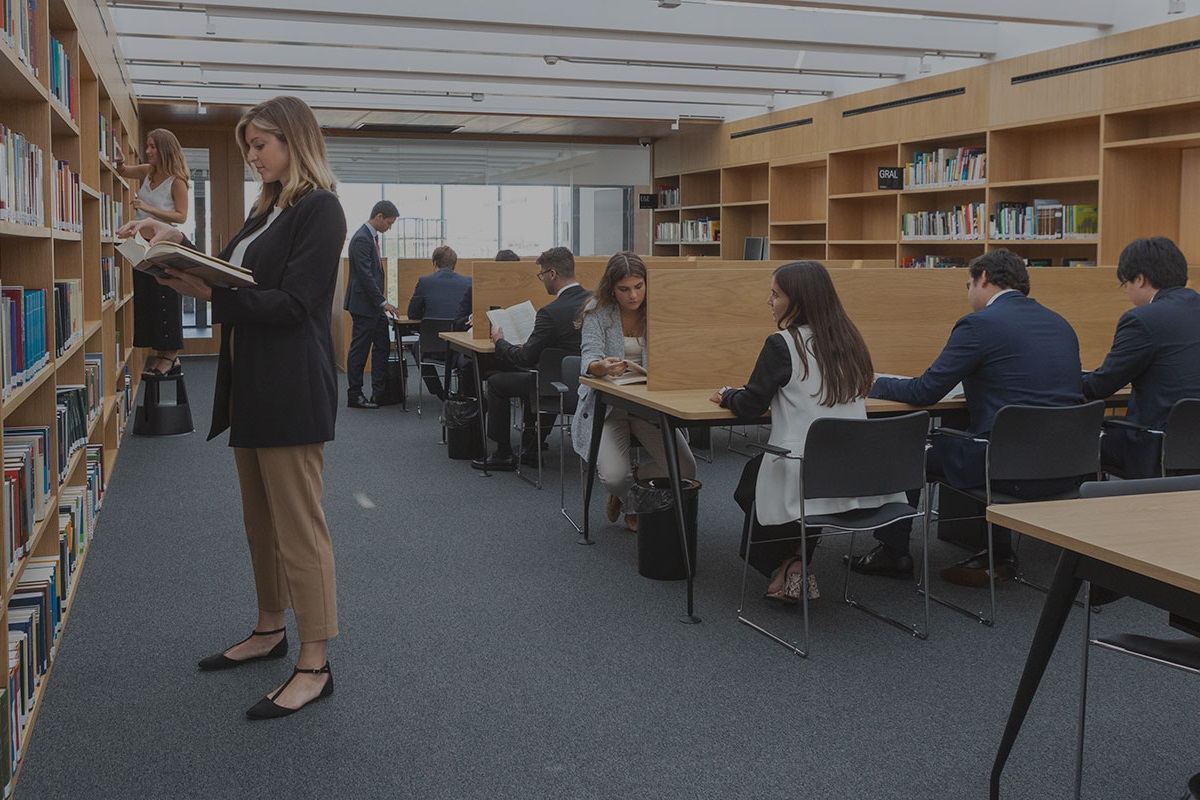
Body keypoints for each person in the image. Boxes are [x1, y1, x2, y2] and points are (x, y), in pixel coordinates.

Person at [116, 96, 345, 720]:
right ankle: (270, 630)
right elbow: (236, 273)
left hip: (291, 387)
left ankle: (315, 663)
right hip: (250, 385)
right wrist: (177, 240)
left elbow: (294, 304)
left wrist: (206, 295)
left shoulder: (320, 209)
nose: (250, 156)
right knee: (260, 522)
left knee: (300, 529)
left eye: (260, 145)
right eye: (247, 146)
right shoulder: (267, 208)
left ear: (295, 142)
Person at [864, 249, 1083, 587]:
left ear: (983, 279)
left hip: (1004, 466)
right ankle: (996, 552)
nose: (968, 294)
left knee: (909, 446)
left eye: (968, 284)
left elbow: (925, 392)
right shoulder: (1060, 323)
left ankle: (893, 552)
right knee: (975, 435)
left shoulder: (979, 325)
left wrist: (876, 384)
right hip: (1066, 466)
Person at [712, 261, 902, 602]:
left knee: (753, 486)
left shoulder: (783, 344)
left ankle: (789, 564)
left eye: (775, 294)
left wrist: (727, 395)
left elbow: (751, 405)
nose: (769, 301)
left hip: (806, 468)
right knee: (769, 482)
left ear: (797, 301)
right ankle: (795, 564)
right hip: (857, 472)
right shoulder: (851, 340)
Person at [574, 252, 696, 532]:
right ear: (611, 288)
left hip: (650, 405)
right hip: (609, 406)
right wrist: (599, 366)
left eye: (639, 286)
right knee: (614, 477)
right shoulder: (598, 311)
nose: (633, 296)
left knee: (686, 470)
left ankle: (633, 483)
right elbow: (589, 354)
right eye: (624, 289)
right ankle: (630, 500)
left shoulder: (659, 308)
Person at [1083, 236, 1200, 478]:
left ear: (1140, 278)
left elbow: (1101, 385)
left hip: (1156, 444)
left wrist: (1062, 378)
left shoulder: (1142, 320)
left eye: (1125, 284)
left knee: (1077, 443)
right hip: (1189, 445)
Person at [472, 247, 591, 471]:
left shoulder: (550, 312)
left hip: (557, 386)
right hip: (591, 383)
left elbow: (525, 357)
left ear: (552, 274)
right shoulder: (595, 301)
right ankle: (531, 445)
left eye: (542, 275)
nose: (542, 280)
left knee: (499, 382)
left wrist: (500, 342)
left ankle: (503, 453)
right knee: (540, 375)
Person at [113, 129, 189, 377]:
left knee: (165, 297)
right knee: (147, 297)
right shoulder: (148, 171)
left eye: (153, 146)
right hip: (140, 245)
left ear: (165, 149)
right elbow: (123, 172)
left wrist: (147, 208)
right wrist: (120, 159)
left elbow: (181, 216)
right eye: (147, 146)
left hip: (162, 244)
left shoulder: (176, 181)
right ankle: (160, 355)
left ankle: (170, 356)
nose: (148, 151)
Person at [344, 200, 399, 409]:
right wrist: (383, 302)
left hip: (373, 306)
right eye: (389, 223)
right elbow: (365, 276)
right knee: (359, 350)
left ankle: (379, 393)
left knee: (382, 346)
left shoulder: (371, 237)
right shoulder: (361, 239)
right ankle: (354, 395)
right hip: (364, 305)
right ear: (379, 217)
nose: (390, 227)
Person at [408, 244, 471, 400]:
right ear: (454, 265)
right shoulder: (468, 282)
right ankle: (462, 391)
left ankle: (439, 392)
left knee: (417, 347)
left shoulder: (424, 282)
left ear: (434, 264)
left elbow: (412, 313)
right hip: (460, 347)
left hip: (432, 345)